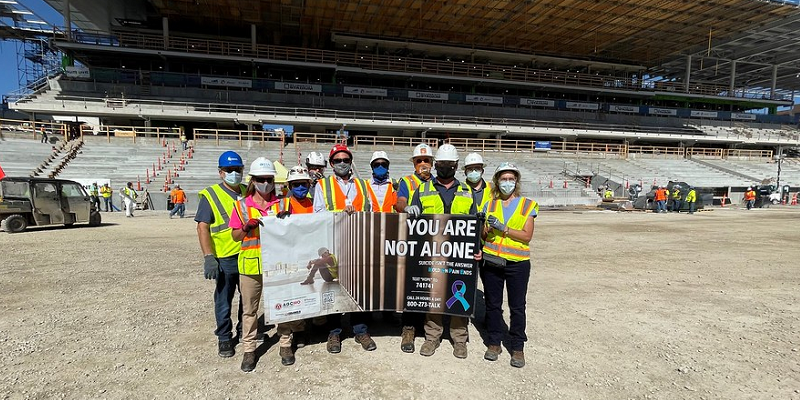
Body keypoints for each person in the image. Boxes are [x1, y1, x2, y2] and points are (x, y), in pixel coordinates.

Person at [406, 143, 477, 359]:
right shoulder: (423, 189)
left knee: (459, 294)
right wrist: (410, 211)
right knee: (434, 294)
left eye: (450, 164)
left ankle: (459, 339)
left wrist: (476, 249)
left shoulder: (466, 191)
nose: (446, 167)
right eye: (442, 164)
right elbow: (411, 225)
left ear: (456, 166)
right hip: (431, 252)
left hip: (459, 253)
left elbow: (474, 223)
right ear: (436, 165)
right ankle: (432, 337)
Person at [312, 144, 376, 354]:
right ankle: (334, 331)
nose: (342, 163)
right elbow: (318, 213)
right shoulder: (323, 185)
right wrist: (340, 212)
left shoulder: (363, 185)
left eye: (345, 160)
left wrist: (357, 212)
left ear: (350, 162)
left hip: (358, 242)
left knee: (359, 288)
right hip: (335, 242)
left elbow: (372, 210)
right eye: (337, 160)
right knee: (334, 287)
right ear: (331, 164)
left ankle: (360, 329)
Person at [229, 157, 286, 371]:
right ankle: (249, 350)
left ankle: (285, 344)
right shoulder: (241, 205)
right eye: (261, 179)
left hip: (278, 264)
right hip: (251, 266)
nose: (265, 183)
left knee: (282, 307)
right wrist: (245, 227)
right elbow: (235, 236)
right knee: (249, 311)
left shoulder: (283, 203)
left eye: (269, 179)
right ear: (253, 180)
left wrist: (287, 221)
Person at [480, 162, 538, 368]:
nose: (507, 183)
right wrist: (485, 227)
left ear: (516, 181)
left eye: (510, 179)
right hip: (492, 261)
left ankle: (517, 347)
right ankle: (494, 342)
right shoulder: (490, 204)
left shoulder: (527, 205)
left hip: (517, 263)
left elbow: (527, 236)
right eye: (503, 179)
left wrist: (503, 228)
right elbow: (484, 235)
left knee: (517, 306)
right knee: (493, 305)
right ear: (497, 181)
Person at [195, 151, 247, 360]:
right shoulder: (211, 195)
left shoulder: (246, 191)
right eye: (229, 170)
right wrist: (209, 256)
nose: (234, 173)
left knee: (248, 296)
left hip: (248, 253)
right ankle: (224, 336)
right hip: (225, 257)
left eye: (238, 170)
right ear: (221, 172)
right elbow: (202, 227)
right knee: (224, 299)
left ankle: (245, 328)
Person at [394, 143, 434, 212]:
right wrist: (406, 207)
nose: (423, 163)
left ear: (432, 163)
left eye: (426, 160)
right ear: (414, 164)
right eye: (419, 161)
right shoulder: (406, 182)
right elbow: (400, 201)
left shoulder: (438, 182)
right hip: (414, 221)